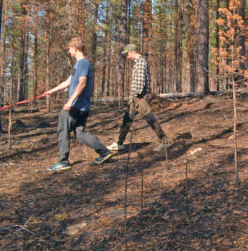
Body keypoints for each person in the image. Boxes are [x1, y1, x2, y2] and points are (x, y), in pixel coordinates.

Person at [44, 37, 114, 171]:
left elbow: (82, 83)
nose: (69, 51)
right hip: (82, 107)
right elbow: (68, 82)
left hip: (75, 106)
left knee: (63, 131)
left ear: (75, 49)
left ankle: (63, 162)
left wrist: (70, 101)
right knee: (80, 132)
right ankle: (104, 152)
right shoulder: (79, 65)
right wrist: (51, 91)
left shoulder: (82, 63)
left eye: (70, 49)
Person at [107, 44, 171, 152]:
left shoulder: (141, 62)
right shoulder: (137, 62)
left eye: (127, 54)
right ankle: (119, 144)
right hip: (135, 98)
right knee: (127, 119)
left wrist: (136, 95)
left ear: (133, 52)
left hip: (140, 98)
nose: (127, 56)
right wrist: (132, 98)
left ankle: (165, 141)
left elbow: (141, 81)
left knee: (150, 119)